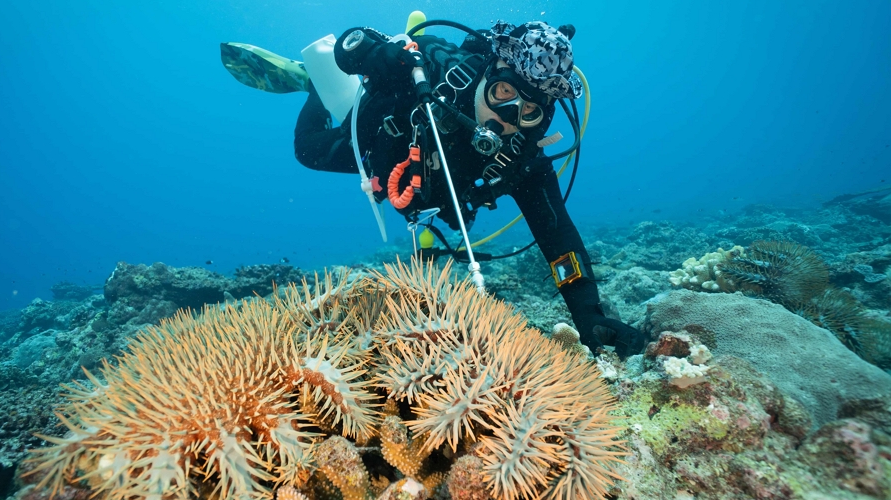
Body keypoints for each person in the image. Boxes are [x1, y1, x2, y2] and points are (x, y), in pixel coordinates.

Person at [223, 20, 645, 358]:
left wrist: (588, 314)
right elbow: (351, 46)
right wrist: (378, 52)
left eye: (528, 111)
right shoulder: (439, 72)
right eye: (502, 94)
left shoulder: (523, 159)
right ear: (489, 76)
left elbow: (558, 238)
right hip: (384, 139)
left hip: (429, 192)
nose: (507, 117)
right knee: (308, 152)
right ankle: (315, 85)